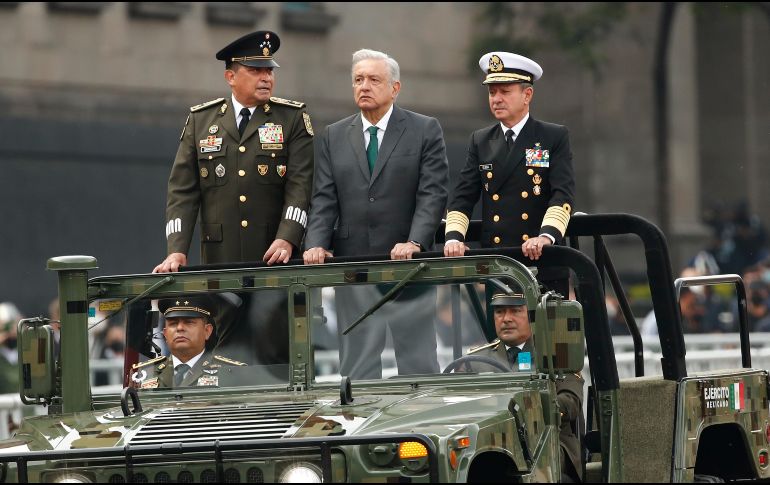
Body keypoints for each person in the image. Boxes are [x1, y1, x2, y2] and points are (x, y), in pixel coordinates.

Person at [303, 48, 449, 379]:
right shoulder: (334, 135)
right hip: (353, 267)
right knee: (357, 366)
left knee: (418, 364)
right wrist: (316, 243)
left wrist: (415, 241)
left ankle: (419, 429)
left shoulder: (424, 129)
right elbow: (324, 197)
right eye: (358, 80)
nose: (364, 86)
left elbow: (433, 193)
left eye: (373, 79)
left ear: (395, 87)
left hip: (408, 267)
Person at [154, 30, 314, 273]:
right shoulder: (201, 121)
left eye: (269, 71)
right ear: (230, 77)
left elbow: (300, 187)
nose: (266, 78)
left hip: (275, 258)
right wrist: (176, 251)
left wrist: (288, 237)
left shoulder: (292, 119)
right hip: (220, 259)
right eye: (255, 71)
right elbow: (182, 193)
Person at [444, 51, 575, 296]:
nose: (496, 99)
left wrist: (546, 237)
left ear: (527, 95)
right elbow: (462, 196)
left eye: (505, 91)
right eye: (492, 92)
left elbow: (562, 194)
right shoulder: (480, 140)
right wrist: (453, 238)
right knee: (502, 332)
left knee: (548, 332)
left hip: (541, 259)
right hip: (499, 264)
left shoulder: (552, 136)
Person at [466, 293, 583, 482]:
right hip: (490, 447)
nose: (506, 319)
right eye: (500, 312)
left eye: (515, 311)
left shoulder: (555, 353)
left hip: (544, 444)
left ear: (532, 315)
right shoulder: (477, 361)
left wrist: (537, 407)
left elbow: (570, 402)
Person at [130, 295, 246, 389]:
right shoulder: (145, 373)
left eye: (189, 322)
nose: (180, 328)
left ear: (207, 331)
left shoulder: (230, 372)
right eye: (173, 323)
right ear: (165, 333)